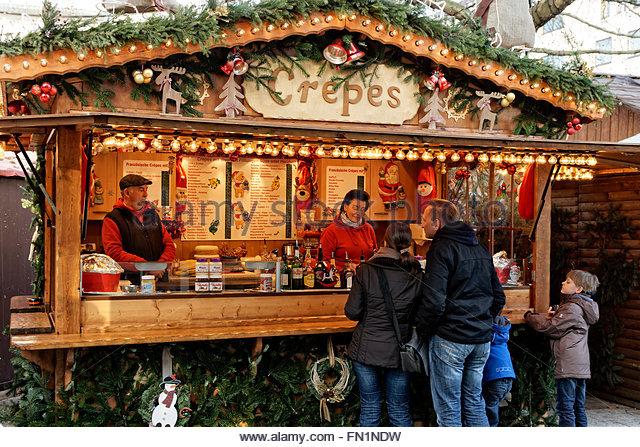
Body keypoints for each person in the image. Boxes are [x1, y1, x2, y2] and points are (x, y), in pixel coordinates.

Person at [415, 199, 506, 427]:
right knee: (474, 402)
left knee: (449, 410)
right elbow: (499, 297)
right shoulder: (480, 248)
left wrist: (424, 329)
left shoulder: (440, 248)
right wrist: (482, 321)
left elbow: (434, 300)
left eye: (424, 220)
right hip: (480, 340)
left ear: (436, 222)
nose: (421, 224)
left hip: (450, 339)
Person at [345, 222, 422, 427]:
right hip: (399, 351)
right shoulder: (415, 273)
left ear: (384, 240)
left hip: (366, 349)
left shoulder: (366, 270)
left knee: (370, 408)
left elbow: (352, 312)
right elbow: (420, 313)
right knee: (399, 411)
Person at [525, 270, 600, 427]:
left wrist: (530, 316)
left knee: (565, 408)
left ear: (578, 289)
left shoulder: (572, 308)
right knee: (578, 407)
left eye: (567, 282)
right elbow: (564, 323)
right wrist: (557, 312)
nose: (562, 283)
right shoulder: (583, 306)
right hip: (580, 365)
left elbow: (550, 327)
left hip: (568, 365)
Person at [102, 174, 176, 277]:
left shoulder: (152, 215)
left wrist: (159, 265)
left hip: (158, 280)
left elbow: (169, 244)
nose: (146, 194)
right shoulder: (112, 219)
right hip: (129, 284)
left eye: (146, 189)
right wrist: (146, 267)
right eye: (141, 190)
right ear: (127, 193)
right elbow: (114, 253)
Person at [320, 189, 377, 268]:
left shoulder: (368, 229)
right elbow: (324, 262)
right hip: (342, 278)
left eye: (362, 209)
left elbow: (374, 256)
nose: (359, 213)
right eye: (355, 208)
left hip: (366, 277)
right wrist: (346, 267)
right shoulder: (331, 231)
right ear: (345, 207)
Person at [482, 315, 516, 427]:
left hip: (494, 379)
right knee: (493, 404)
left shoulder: (489, 338)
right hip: (508, 379)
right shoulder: (503, 338)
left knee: (488, 407)